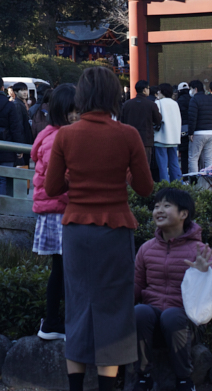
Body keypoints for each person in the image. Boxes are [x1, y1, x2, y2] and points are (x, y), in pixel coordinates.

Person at [44, 67, 153, 391]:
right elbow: (146, 188)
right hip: (115, 228)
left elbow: (51, 188)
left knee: (78, 305)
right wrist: (123, 176)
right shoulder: (128, 135)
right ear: (113, 96)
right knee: (114, 308)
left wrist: (74, 180)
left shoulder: (65, 135)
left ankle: (75, 387)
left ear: (82, 96)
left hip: (76, 229)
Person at [133, 189, 212, 391]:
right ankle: (143, 377)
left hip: (185, 324)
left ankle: (184, 380)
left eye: (166, 206)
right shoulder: (147, 249)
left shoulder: (199, 251)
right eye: (156, 206)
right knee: (139, 311)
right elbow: (137, 286)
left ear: (183, 214)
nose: (159, 210)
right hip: (152, 322)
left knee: (172, 316)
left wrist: (204, 274)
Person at [30, 83, 75, 341]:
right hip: (59, 209)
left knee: (62, 269)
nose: (78, 115)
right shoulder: (58, 138)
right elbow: (63, 176)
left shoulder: (52, 134)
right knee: (64, 269)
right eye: (73, 111)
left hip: (55, 208)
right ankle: (55, 322)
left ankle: (54, 321)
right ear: (62, 111)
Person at [121, 80, 163, 176]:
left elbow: (121, 121)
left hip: (129, 140)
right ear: (144, 90)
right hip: (146, 139)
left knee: (130, 165)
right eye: (148, 88)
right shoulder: (151, 104)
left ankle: (130, 187)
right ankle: (143, 188)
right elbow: (158, 120)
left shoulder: (127, 104)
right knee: (145, 165)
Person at [186, 81, 212, 173]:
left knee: (193, 158)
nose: (190, 91)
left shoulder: (194, 100)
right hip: (211, 132)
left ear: (195, 89)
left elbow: (192, 118)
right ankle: (211, 182)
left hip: (198, 133)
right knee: (209, 159)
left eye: (191, 89)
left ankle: (194, 182)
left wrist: (190, 132)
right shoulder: (211, 100)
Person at [153, 84, 182, 183]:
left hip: (161, 137)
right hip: (174, 138)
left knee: (163, 166)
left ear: (161, 92)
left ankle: (165, 185)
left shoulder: (158, 103)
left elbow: (155, 119)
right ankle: (178, 184)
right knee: (174, 164)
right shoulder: (175, 103)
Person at [175, 83, 192, 173]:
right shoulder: (192, 100)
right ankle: (194, 176)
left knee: (184, 155)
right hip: (193, 129)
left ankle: (185, 174)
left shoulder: (178, 102)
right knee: (193, 155)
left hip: (182, 129)